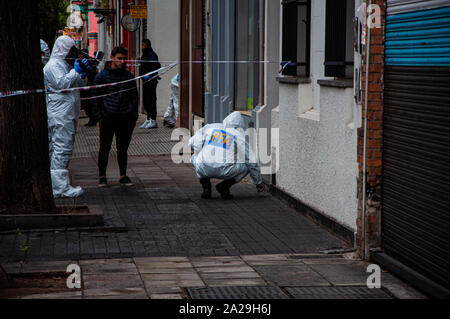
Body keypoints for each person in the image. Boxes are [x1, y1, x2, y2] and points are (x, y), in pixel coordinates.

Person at [44, 35, 90, 198]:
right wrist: (75, 71)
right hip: (60, 115)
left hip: (67, 114)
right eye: (71, 50)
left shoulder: (64, 64)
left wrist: (82, 73)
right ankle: (60, 187)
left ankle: (54, 184)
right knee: (61, 149)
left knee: (59, 148)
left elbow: (78, 84)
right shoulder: (53, 66)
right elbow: (62, 84)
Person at [91, 46, 138, 187]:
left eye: (124, 59)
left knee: (122, 148)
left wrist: (132, 116)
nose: (122, 61)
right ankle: (102, 176)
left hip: (125, 119)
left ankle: (123, 175)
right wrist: (98, 116)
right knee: (104, 147)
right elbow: (95, 96)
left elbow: (134, 97)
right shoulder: (102, 76)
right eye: (119, 58)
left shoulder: (128, 77)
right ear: (112, 58)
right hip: (107, 118)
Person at [189, 112, 264, 199]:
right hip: (226, 171)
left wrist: (201, 151)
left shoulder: (210, 127)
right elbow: (251, 160)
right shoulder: (238, 135)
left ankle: (206, 187)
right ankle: (225, 186)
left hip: (204, 169)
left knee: (195, 157)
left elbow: (192, 143)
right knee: (247, 165)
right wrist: (258, 182)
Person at [139, 39, 161, 129]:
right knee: (146, 100)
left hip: (151, 81)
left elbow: (156, 66)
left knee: (151, 100)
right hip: (145, 81)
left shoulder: (152, 54)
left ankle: (153, 120)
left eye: (143, 45)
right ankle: (148, 119)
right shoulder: (144, 54)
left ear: (147, 45)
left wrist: (150, 75)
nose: (142, 46)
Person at [79, 49, 98, 127]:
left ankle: (93, 119)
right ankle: (92, 119)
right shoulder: (83, 62)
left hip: (90, 86)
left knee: (90, 104)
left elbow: (93, 71)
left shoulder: (89, 62)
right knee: (87, 105)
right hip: (86, 86)